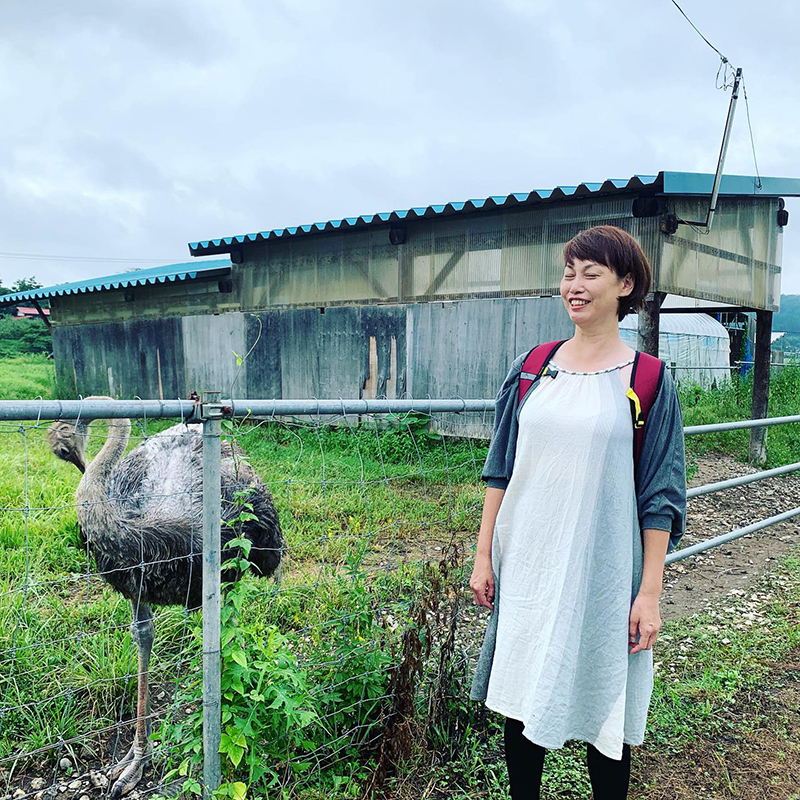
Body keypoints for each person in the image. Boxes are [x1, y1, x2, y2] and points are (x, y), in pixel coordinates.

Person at [469, 225, 687, 800]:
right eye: (570, 272)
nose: (575, 284)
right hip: (530, 565)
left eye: (591, 273)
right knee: (523, 696)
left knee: (601, 701)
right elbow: (501, 467)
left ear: (626, 284)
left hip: (605, 572)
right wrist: (483, 554)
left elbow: (661, 495)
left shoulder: (648, 380)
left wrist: (649, 594)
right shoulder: (533, 368)